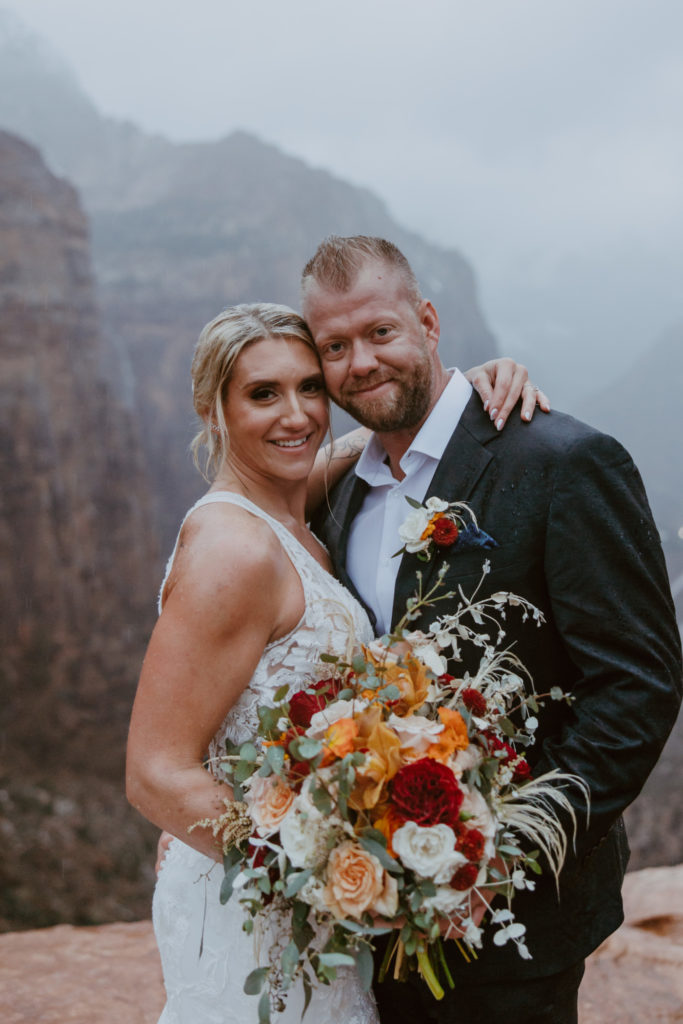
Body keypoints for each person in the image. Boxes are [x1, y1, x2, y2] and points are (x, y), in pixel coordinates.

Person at [302, 235, 683, 1024]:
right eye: (334, 347)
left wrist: (506, 849)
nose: (360, 363)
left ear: (430, 322)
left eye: (379, 332)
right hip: (373, 912)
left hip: (519, 924)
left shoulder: (562, 462)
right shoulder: (336, 496)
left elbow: (638, 685)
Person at [127, 302, 543, 1023]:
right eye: (262, 394)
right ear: (212, 410)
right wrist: (338, 863)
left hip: (309, 909)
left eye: (310, 387)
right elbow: (155, 772)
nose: (295, 415)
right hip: (258, 907)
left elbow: (347, 451)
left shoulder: (287, 510)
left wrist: (463, 395)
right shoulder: (236, 550)